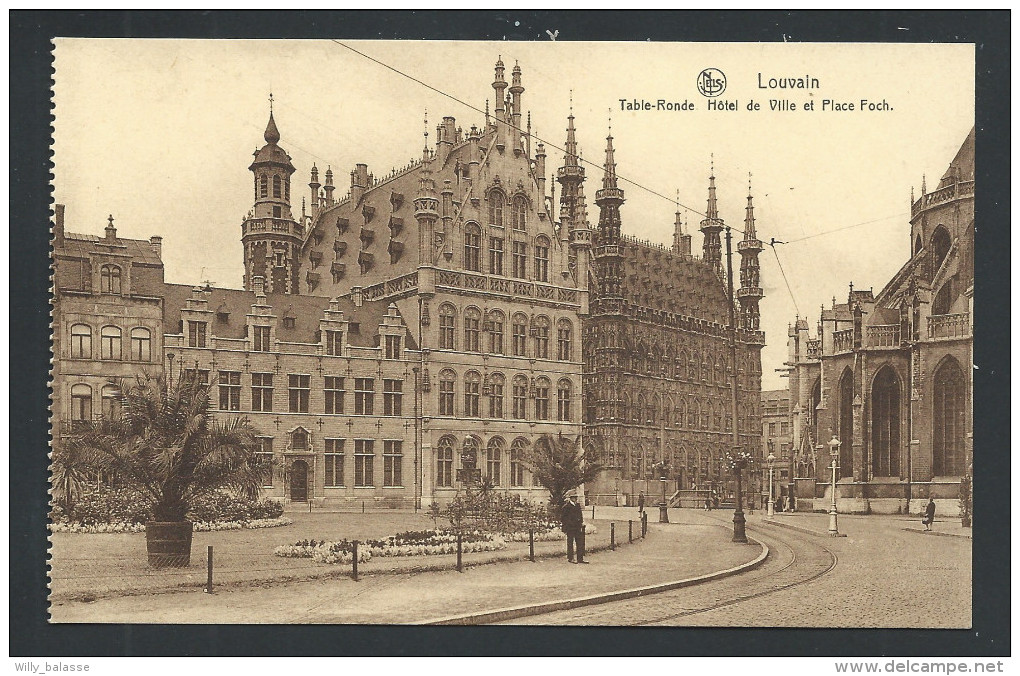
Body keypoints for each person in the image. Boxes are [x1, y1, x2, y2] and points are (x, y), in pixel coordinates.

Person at [561, 493, 587, 563]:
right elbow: (563, 518)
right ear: (571, 498)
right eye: (574, 497)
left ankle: (580, 558)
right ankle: (570, 558)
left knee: (579, 542)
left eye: (576, 497)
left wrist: (581, 522)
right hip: (570, 528)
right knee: (570, 543)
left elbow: (580, 515)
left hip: (577, 527)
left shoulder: (577, 505)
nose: (575, 499)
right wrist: (568, 525)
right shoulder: (566, 507)